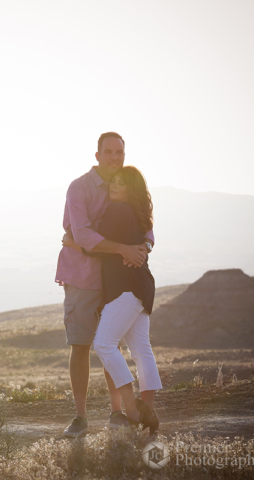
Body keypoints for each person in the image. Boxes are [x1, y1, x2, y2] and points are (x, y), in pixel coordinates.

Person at [55, 132, 154, 438]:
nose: (114, 157)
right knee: (81, 345)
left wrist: (143, 249)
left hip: (115, 279)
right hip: (82, 276)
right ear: (97, 155)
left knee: (112, 343)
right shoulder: (79, 188)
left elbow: (146, 226)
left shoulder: (127, 182)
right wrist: (124, 249)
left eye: (119, 152)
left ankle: (117, 412)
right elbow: (82, 236)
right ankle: (81, 416)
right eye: (109, 152)